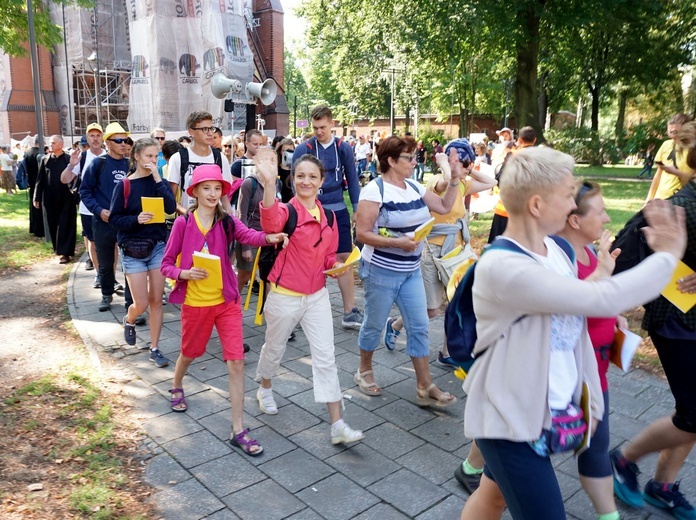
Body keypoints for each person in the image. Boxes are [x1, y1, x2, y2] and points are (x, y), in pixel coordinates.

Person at [459, 146, 686, 520]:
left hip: (542, 410)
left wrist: (589, 401)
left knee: (492, 497)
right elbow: (599, 298)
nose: (572, 205)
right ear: (536, 205)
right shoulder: (503, 267)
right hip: (509, 422)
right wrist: (667, 256)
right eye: (567, 195)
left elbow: (577, 312)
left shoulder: (556, 249)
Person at [161, 164, 287, 456]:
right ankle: (177, 383)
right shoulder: (183, 224)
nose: (213, 194)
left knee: (237, 362)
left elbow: (250, 235)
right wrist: (185, 274)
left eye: (218, 188)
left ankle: (238, 429)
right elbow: (166, 264)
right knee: (190, 352)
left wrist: (270, 237)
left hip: (226, 302)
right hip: (195, 304)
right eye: (207, 188)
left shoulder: (228, 221)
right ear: (194, 191)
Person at [610, 121, 696, 520]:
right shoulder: (685, 206)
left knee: (691, 411)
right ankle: (624, 459)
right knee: (694, 413)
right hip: (678, 324)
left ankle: (662, 486)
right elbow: (620, 254)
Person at [254, 150, 365, 446]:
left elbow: (328, 254)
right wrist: (267, 184)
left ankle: (337, 424)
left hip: (316, 296)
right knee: (274, 349)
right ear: (292, 179)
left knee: (326, 358)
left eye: (312, 177)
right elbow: (269, 224)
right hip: (284, 296)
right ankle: (265, 386)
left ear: (322, 182)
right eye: (300, 176)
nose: (306, 181)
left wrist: (334, 266)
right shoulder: (286, 211)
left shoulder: (328, 215)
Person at [354, 135, 462, 406]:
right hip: (380, 270)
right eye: (409, 158)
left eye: (415, 157)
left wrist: (455, 180)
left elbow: (445, 207)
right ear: (391, 161)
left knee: (420, 326)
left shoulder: (414, 187)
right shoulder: (374, 192)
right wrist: (396, 243)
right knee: (374, 324)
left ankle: (425, 386)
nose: (415, 162)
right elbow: (363, 234)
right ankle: (364, 370)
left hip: (410, 270)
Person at [384, 139, 497, 368]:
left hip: (457, 252)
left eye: (467, 163)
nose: (465, 168)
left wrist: (468, 169)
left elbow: (491, 181)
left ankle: (447, 352)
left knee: (457, 302)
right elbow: (446, 182)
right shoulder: (438, 181)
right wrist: (449, 166)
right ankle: (395, 325)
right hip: (432, 252)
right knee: (432, 310)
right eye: (463, 163)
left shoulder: (464, 183)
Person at [292, 105, 363, 329]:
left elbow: (352, 180)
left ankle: (349, 311)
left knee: (345, 256)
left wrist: (357, 209)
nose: (319, 131)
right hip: (312, 210)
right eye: (315, 128)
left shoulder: (344, 149)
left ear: (332, 123)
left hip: (338, 209)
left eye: (322, 127)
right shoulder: (304, 148)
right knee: (306, 258)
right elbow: (295, 184)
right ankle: (298, 313)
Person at [108, 138, 176, 368]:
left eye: (155, 156)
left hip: (157, 245)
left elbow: (169, 207)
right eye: (148, 156)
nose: (152, 161)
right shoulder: (125, 185)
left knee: (157, 300)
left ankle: (155, 348)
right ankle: (129, 318)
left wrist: (157, 178)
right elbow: (115, 219)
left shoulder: (160, 181)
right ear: (136, 156)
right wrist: (135, 219)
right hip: (132, 249)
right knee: (142, 304)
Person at [80, 122, 130, 312]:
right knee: (106, 262)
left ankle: (131, 302)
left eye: (126, 140)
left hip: (126, 224)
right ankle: (106, 294)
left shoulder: (131, 164)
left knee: (130, 263)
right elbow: (85, 192)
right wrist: (99, 210)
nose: (123, 144)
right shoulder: (98, 163)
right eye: (119, 140)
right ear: (108, 143)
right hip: (103, 222)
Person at [61, 123, 105, 280]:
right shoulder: (82, 158)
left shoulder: (109, 155)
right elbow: (64, 179)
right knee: (93, 242)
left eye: (98, 135)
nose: (95, 139)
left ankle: (110, 276)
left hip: (109, 208)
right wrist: (71, 165)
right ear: (87, 138)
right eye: (92, 135)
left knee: (111, 244)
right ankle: (100, 274)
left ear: (103, 137)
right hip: (88, 209)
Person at [167, 111, 232, 216]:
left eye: (211, 128)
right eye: (204, 129)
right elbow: (171, 199)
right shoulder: (178, 158)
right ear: (191, 132)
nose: (210, 133)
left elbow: (224, 195)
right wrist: (188, 214)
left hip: (216, 221)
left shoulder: (220, 158)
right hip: (189, 221)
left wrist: (229, 213)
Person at [488, 126, 536, 243]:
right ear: (535, 140)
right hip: (529, 211)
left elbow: (500, 178)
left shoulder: (512, 155)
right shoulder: (541, 158)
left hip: (506, 208)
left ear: (519, 140)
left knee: (497, 247)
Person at [33, 135, 76, 264]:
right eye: (50, 143)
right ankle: (58, 249)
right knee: (53, 223)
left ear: (61, 145)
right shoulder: (45, 160)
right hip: (50, 197)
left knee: (66, 223)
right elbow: (39, 180)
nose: (50, 145)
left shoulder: (68, 159)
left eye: (53, 143)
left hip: (66, 197)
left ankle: (66, 252)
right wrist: (37, 196)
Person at [646, 113, 695, 201]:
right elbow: (658, 175)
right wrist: (649, 199)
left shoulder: (693, 149)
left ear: (687, 130)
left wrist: (676, 172)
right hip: (661, 200)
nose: (673, 136)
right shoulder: (666, 145)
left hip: (683, 200)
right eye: (670, 132)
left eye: (676, 132)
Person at [23, 136, 44, 237]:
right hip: (40, 182)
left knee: (33, 204)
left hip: (31, 181)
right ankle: (41, 228)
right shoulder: (41, 154)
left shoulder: (28, 153)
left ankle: (34, 227)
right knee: (40, 205)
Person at [275, 138, 295, 203]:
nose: (287, 154)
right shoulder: (275, 168)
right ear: (280, 151)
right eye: (284, 151)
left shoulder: (297, 168)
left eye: (290, 151)